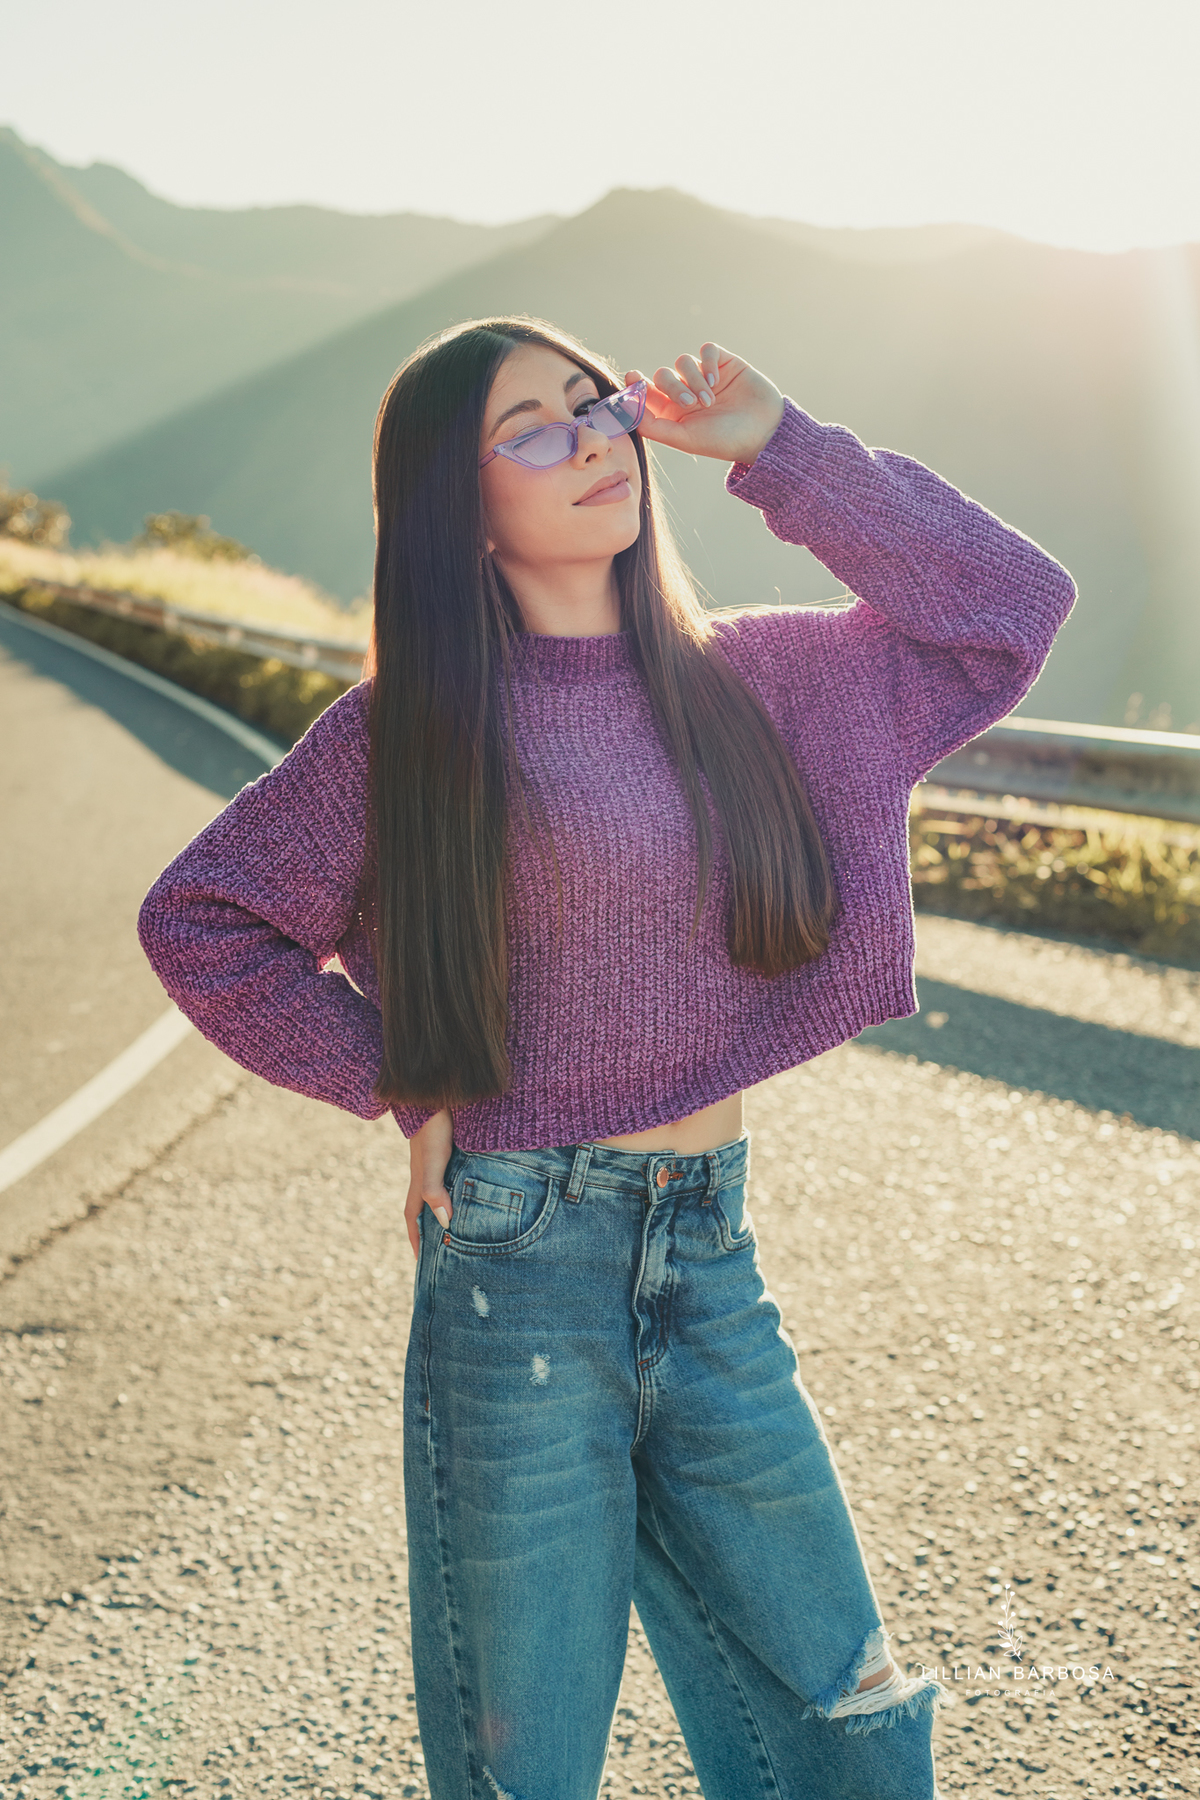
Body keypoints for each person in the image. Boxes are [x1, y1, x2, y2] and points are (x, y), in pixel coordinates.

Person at [137, 316, 1076, 1800]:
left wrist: (785, 450)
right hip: (519, 1279)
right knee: (529, 1770)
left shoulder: (767, 680)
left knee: (851, 1739)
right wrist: (395, 1078)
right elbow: (203, 921)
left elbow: (1007, 606)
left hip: (712, 1264)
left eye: (598, 408)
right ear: (458, 506)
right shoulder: (407, 734)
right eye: (533, 429)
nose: (591, 441)